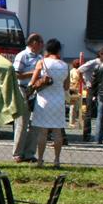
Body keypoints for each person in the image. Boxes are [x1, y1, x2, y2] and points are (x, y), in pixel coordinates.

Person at [28, 38, 69, 168]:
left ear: (47, 49)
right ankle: (56, 160)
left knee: (43, 132)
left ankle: (40, 160)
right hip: (58, 100)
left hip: (43, 100)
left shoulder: (42, 62)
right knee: (57, 131)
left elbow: (32, 82)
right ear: (58, 50)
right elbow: (66, 87)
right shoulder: (64, 65)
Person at [11, 33, 43, 162]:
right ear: (34, 43)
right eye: (40, 42)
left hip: (36, 92)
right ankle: (17, 154)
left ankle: (29, 153)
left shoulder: (40, 57)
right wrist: (35, 72)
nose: (42, 45)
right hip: (23, 90)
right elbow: (16, 74)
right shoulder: (22, 55)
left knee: (35, 124)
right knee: (22, 123)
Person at [78, 47, 103, 142]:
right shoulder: (94, 62)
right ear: (101, 54)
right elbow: (79, 70)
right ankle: (87, 134)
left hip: (100, 88)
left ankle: (102, 134)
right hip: (91, 87)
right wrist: (85, 82)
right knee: (89, 112)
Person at [88, 49, 103, 144]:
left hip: (102, 93)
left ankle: (98, 138)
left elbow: (94, 82)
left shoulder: (99, 66)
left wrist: (94, 94)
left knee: (100, 116)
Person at [68, 60, 83, 128]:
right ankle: (72, 122)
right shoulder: (72, 71)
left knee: (78, 107)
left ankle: (78, 122)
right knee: (73, 107)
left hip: (78, 90)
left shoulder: (80, 71)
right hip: (74, 90)